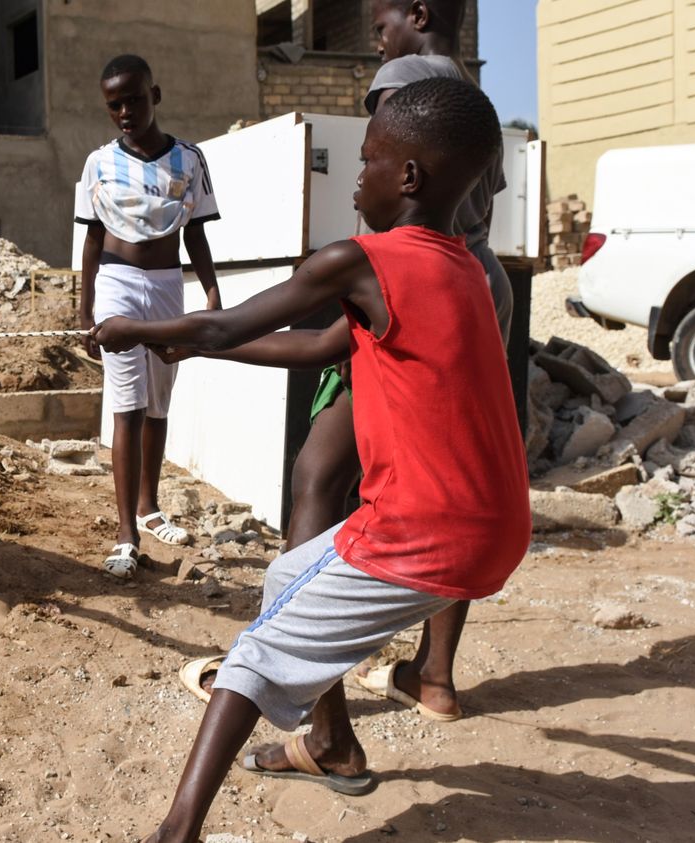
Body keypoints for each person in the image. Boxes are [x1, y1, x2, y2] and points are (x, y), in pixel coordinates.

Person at [91, 77, 532, 841]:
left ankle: (177, 830)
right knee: (286, 575)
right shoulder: (462, 268)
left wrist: (143, 329)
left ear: (408, 178)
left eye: (367, 162)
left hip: (419, 532)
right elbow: (319, 346)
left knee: (252, 657)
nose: (355, 177)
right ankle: (329, 741)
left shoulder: (357, 259)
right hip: (496, 531)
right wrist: (179, 342)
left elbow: (229, 328)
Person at [183, 0, 507, 726]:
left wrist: (175, 332)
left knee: (319, 473)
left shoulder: (404, 83)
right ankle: (436, 678)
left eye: (384, 17)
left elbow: (383, 201)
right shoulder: (476, 104)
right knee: (452, 475)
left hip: (398, 289)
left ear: (416, 14)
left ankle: (307, 690)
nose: (374, 34)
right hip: (473, 281)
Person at [75, 54, 222, 578]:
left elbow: (196, 232)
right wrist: (84, 305)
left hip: (165, 287)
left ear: (154, 96)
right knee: (127, 404)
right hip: (115, 283)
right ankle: (125, 535)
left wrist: (211, 293)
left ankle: (149, 506)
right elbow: (92, 237)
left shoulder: (188, 160)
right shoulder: (98, 163)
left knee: (158, 400)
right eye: (114, 104)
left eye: (133, 99)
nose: (124, 111)